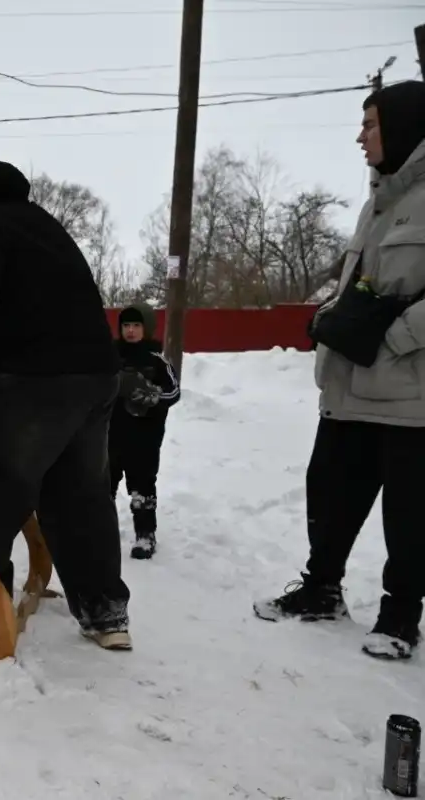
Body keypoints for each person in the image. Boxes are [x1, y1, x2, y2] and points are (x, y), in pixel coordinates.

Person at [0, 153, 131, 650]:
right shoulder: (43, 225)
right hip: (96, 377)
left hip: (39, 379)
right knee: (79, 493)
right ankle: (105, 613)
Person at [254, 81, 425, 662]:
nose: (360, 136)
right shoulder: (377, 201)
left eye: (370, 124)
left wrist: (393, 338)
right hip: (350, 384)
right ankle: (322, 588)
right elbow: (357, 284)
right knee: (328, 490)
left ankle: (401, 617)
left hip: (409, 393)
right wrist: (331, 322)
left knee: (410, 516)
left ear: (402, 127)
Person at [109, 303, 180, 560]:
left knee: (142, 488)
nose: (130, 331)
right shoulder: (110, 358)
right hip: (110, 436)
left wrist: (152, 396)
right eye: (126, 325)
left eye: (136, 325)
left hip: (144, 439)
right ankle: (103, 535)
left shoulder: (157, 361)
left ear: (146, 328)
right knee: (103, 487)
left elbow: (174, 392)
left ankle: (145, 535)